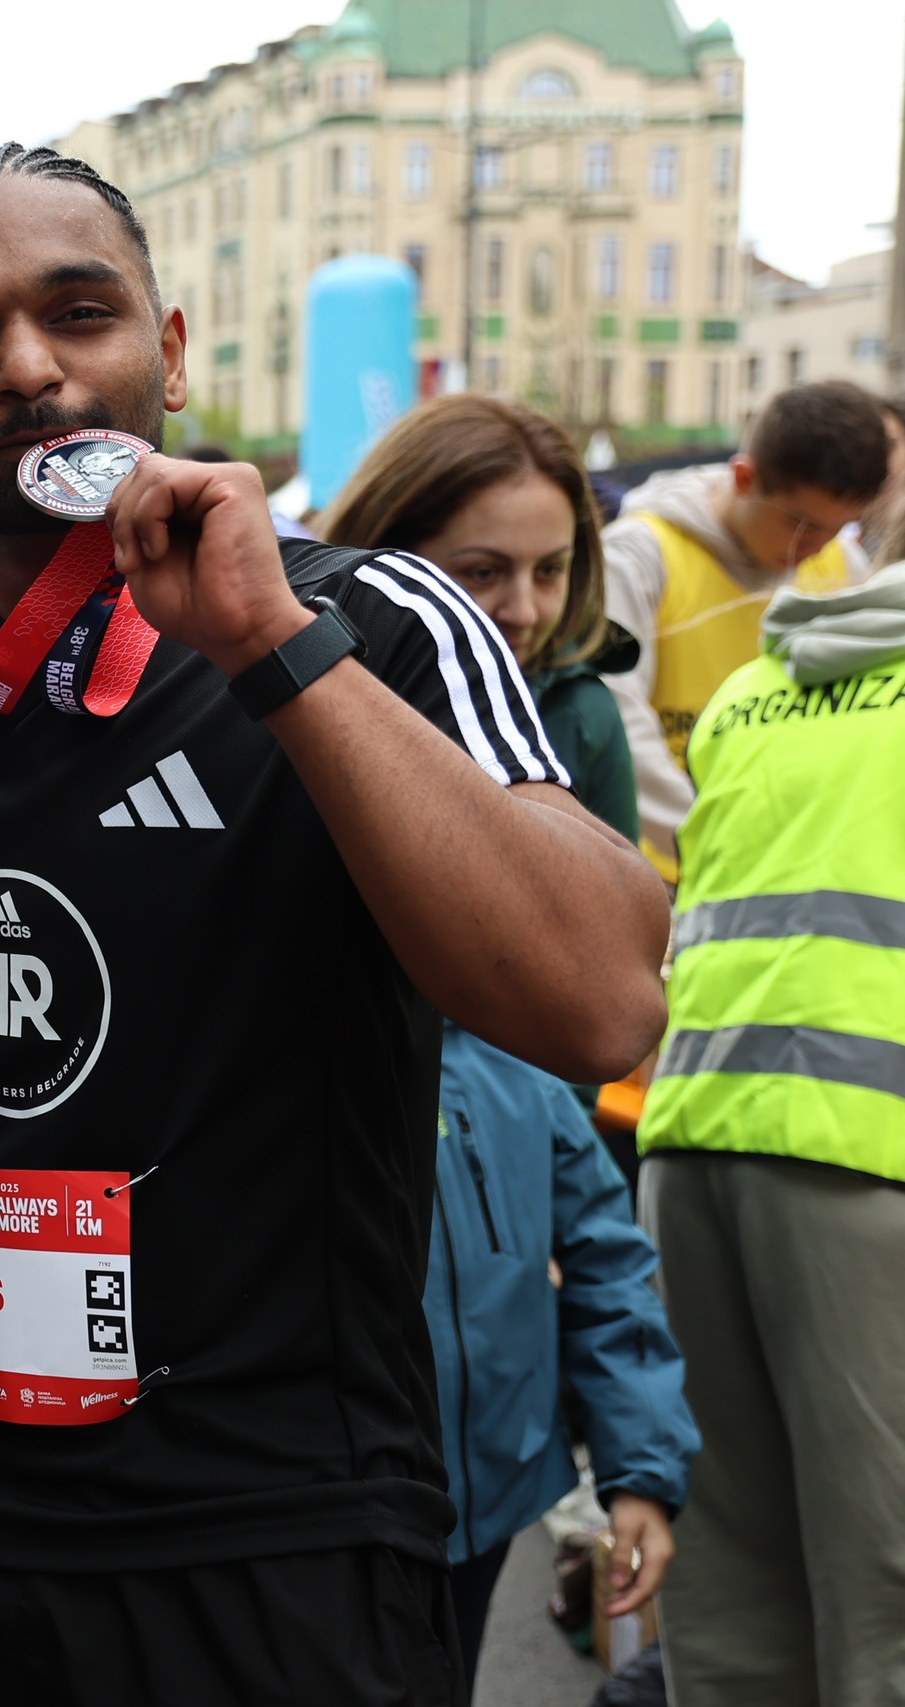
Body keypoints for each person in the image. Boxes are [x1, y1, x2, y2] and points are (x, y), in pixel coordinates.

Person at [0, 143, 669, 1705]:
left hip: (262, 1543)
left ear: (174, 354)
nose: (24, 366)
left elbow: (604, 1000)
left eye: (80, 312)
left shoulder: (377, 617)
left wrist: (271, 641)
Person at [636, 560, 905, 1707]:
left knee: (736, 1594)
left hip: (694, 1142)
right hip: (865, 1162)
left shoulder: (754, 686)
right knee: (884, 1592)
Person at [421, 1031, 697, 1693]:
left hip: (490, 1489)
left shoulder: (515, 1064)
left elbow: (609, 1266)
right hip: (328, 1510)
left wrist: (641, 1470)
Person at [601, 379, 890, 877]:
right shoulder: (638, 555)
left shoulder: (842, 564)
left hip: (787, 868)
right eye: (799, 523)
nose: (815, 547)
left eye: (836, 527)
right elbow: (616, 718)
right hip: (664, 874)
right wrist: (714, 838)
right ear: (743, 476)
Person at [323, 395, 639, 841]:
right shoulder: (297, 689)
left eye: (550, 570)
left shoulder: (584, 713)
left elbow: (618, 908)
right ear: (382, 554)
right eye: (483, 572)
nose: (525, 612)